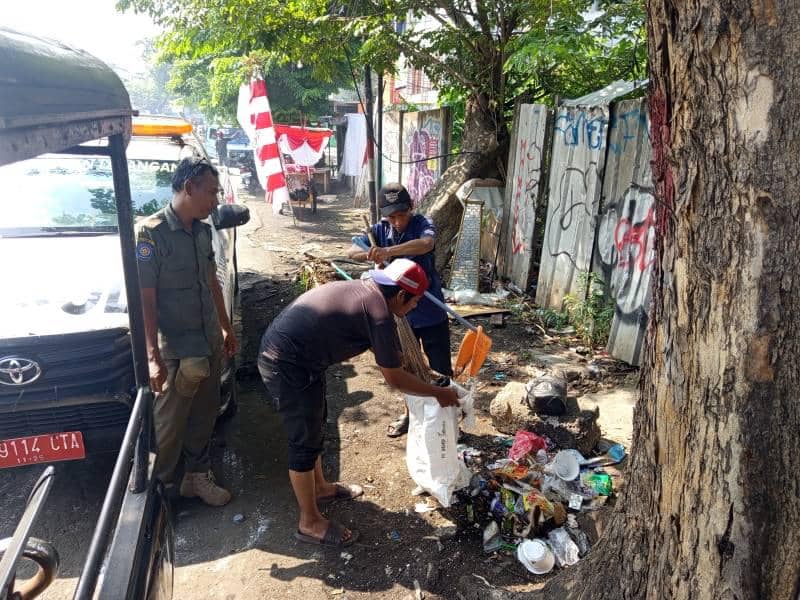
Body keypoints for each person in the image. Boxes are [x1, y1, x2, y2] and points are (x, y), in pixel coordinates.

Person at [258, 259, 460, 547]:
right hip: (286, 363)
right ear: (401, 295)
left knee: (315, 424)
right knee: (303, 441)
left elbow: (383, 349)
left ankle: (321, 488)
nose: (414, 308)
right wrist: (438, 393)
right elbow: (394, 379)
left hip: (302, 358)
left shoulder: (369, 292)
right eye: (414, 302)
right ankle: (309, 522)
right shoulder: (379, 312)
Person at [136, 156, 237, 506]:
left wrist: (225, 329)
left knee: (205, 415)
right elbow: (146, 300)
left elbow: (212, 283)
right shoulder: (150, 234)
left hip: (207, 339)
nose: (215, 200)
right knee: (169, 425)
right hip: (175, 349)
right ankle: (158, 495)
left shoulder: (204, 231)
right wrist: (151, 356)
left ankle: (196, 478)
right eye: (210, 192)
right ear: (188, 187)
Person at [348, 183, 453, 437]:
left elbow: (426, 244)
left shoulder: (421, 224)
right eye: (391, 216)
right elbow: (351, 251)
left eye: (401, 215)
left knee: (440, 367)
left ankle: (447, 421)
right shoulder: (379, 230)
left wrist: (390, 252)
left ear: (411, 207)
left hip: (429, 310)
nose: (396, 222)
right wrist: (370, 254)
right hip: (400, 314)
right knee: (407, 368)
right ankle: (410, 414)